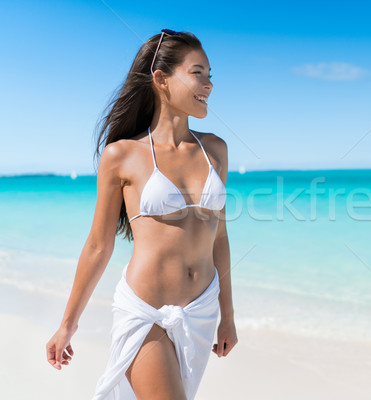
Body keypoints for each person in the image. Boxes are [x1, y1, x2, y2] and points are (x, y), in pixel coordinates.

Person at [45, 29, 238, 399]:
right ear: (161, 79)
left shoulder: (215, 149)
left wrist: (227, 316)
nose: (209, 84)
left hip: (201, 312)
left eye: (211, 75)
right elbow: (98, 246)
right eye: (198, 73)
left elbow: (220, 238)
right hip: (146, 311)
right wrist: (67, 325)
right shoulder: (122, 155)